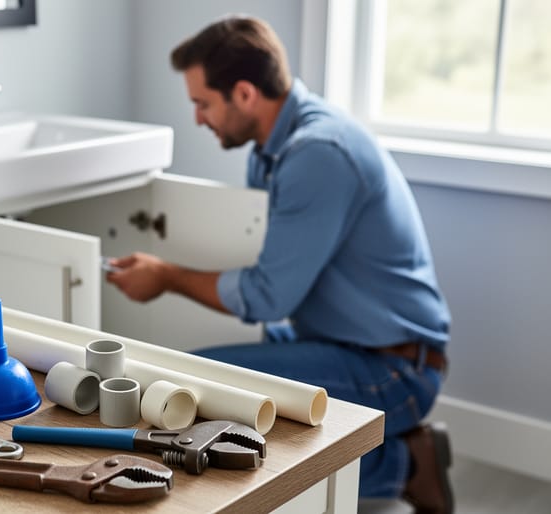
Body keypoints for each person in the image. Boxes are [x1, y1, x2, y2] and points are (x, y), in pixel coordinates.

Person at [106, 15, 454, 514]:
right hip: (338, 337)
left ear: (244, 93)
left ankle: (407, 463)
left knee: (210, 389)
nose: (199, 119)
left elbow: (269, 297)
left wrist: (167, 277)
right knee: (214, 376)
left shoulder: (319, 155)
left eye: (203, 103)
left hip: (395, 368)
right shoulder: (274, 148)